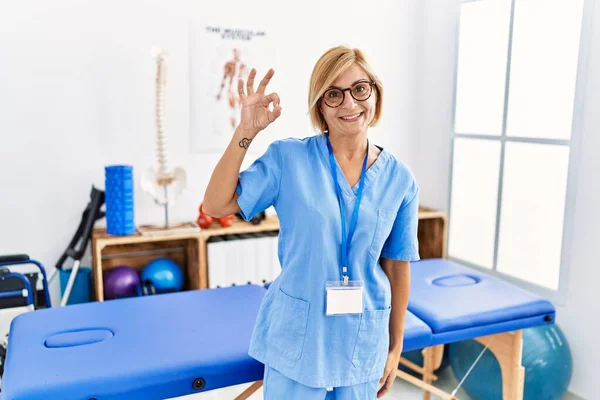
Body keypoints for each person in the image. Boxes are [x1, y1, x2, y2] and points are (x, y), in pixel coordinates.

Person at [203, 45, 419, 399]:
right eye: (334, 94)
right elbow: (215, 204)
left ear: (375, 94)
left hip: (362, 338)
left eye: (360, 89)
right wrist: (245, 132)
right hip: (299, 337)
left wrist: (395, 347)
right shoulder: (288, 159)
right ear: (320, 104)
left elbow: (397, 267)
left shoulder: (401, 179)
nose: (349, 104)